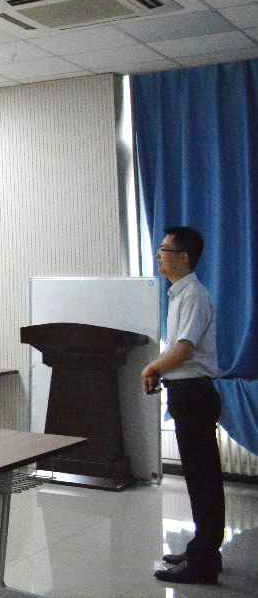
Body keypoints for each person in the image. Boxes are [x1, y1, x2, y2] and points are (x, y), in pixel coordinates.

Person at [141, 226, 224, 585]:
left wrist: (152, 367)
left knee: (203, 479)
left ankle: (203, 561)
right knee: (200, 478)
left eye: (164, 249)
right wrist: (160, 370)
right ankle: (203, 551)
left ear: (183, 257)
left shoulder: (192, 295)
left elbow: (185, 350)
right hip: (186, 392)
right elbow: (177, 348)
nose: (158, 255)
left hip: (195, 394)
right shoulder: (180, 294)